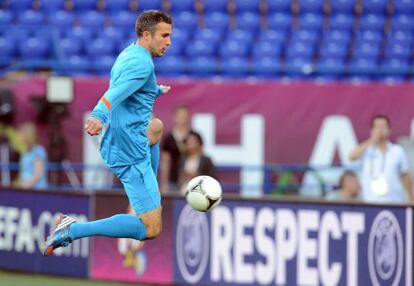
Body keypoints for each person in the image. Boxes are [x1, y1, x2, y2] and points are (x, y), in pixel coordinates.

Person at [43, 10, 172, 256]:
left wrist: (153, 91)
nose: (169, 42)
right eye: (164, 36)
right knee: (152, 227)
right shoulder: (143, 64)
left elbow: (128, 86)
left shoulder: (129, 53)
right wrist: (99, 114)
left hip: (118, 141)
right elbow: (117, 92)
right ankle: (72, 230)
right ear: (147, 35)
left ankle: (148, 194)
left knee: (155, 127)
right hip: (130, 152)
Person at [349, 114, 413, 203]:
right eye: (377, 127)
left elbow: (405, 176)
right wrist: (372, 140)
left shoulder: (397, 151)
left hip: (394, 201)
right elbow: (351, 156)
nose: (380, 130)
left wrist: (411, 198)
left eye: (383, 127)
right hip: (370, 200)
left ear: (389, 130)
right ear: (372, 130)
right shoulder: (367, 150)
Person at [160, 104, 192, 193]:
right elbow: (165, 162)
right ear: (175, 117)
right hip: (173, 180)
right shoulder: (169, 138)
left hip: (192, 181)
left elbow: (201, 158)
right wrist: (164, 183)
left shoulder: (194, 136)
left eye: (185, 116)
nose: (183, 118)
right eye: (180, 115)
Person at [16, 122, 48, 190]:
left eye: (20, 134)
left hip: (37, 190)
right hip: (25, 189)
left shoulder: (38, 151)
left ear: (27, 136)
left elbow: (38, 173)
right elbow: (23, 171)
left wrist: (27, 185)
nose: (18, 137)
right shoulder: (25, 152)